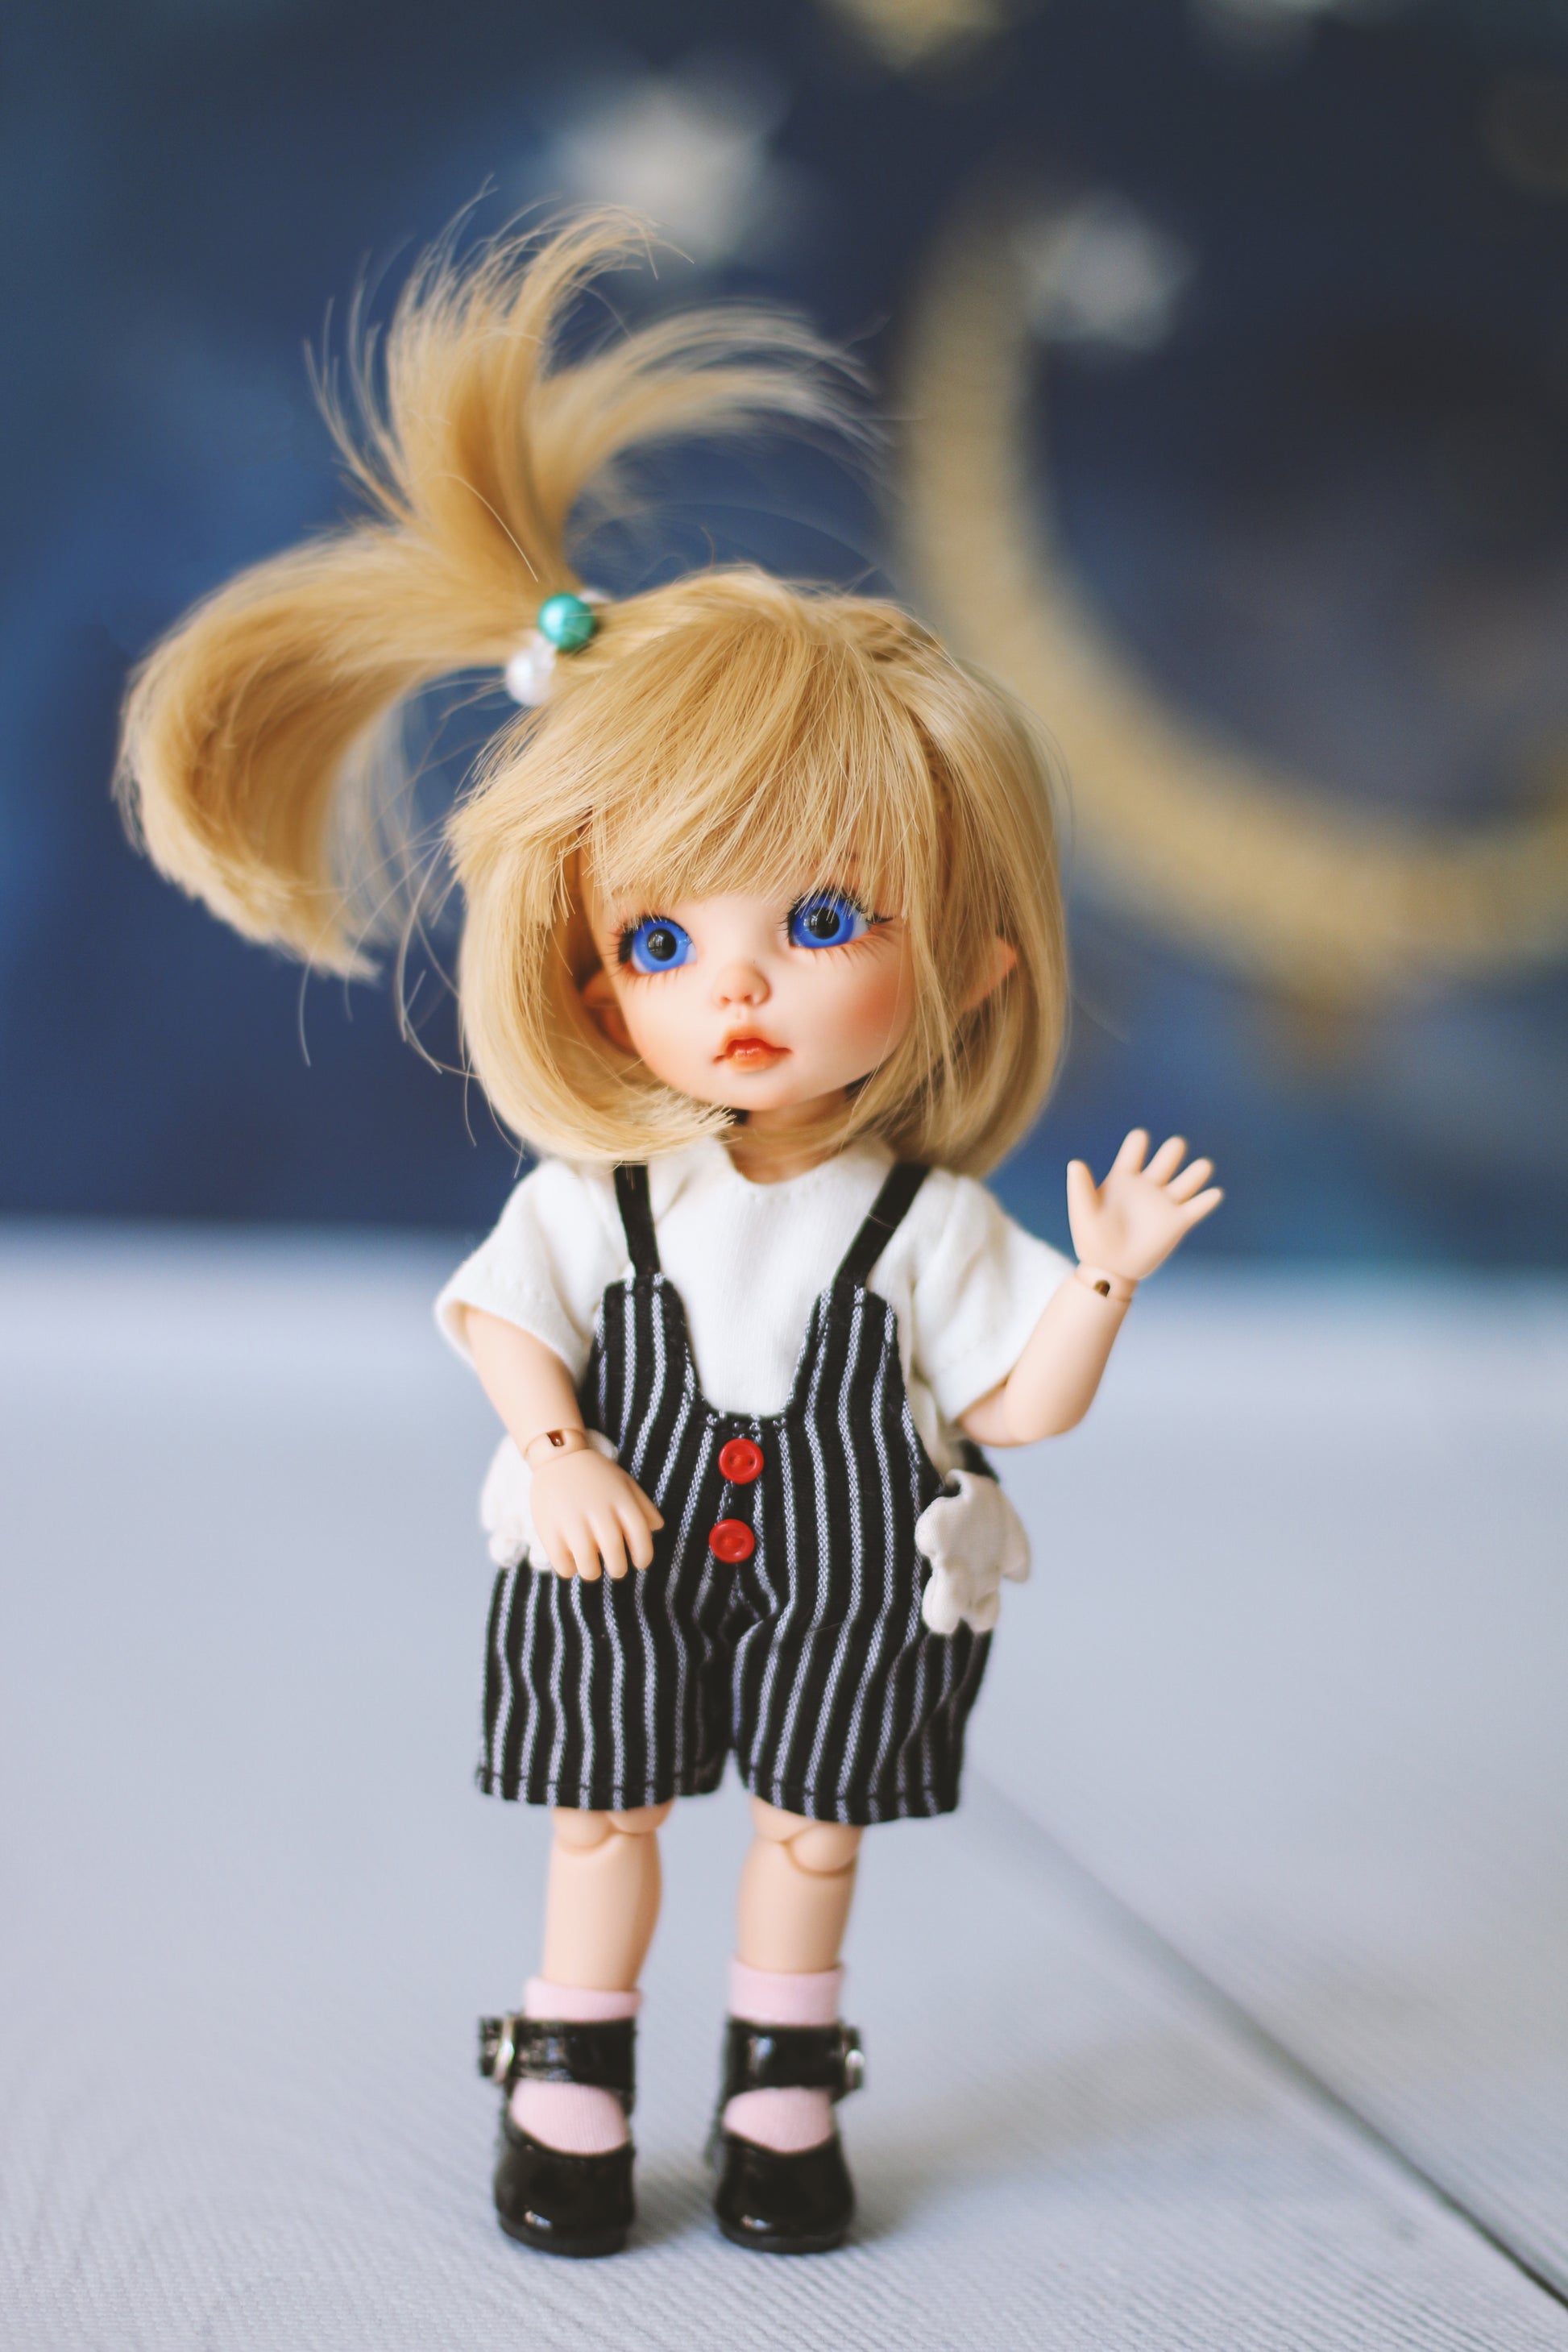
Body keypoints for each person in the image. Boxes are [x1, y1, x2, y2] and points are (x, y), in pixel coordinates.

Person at [117, 214, 1221, 2261]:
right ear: (580, 968)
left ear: (970, 961)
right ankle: (572, 2064)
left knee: (811, 1822)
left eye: (822, 920)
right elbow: (499, 1314)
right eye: (659, 937)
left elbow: (1013, 1406)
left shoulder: (922, 1221)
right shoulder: (601, 1196)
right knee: (600, 1804)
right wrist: (552, 1443)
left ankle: (784, 2081)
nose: (740, 987)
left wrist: (1101, 1281)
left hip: (848, 1559)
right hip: (611, 1529)